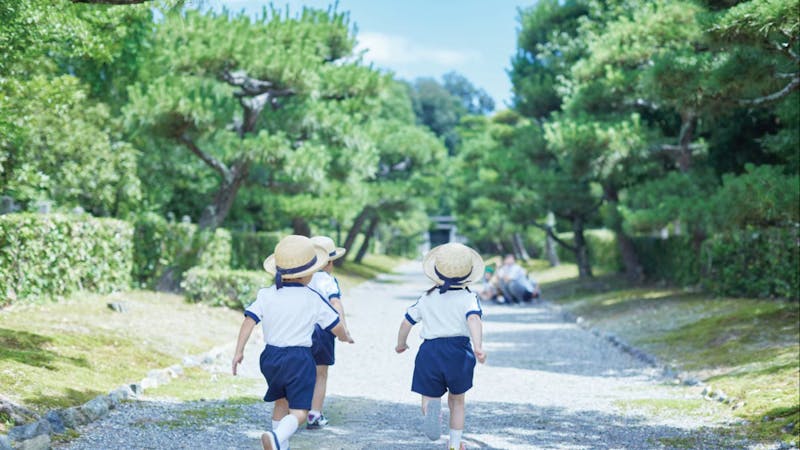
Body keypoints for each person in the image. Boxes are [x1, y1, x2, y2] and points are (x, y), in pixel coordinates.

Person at [231, 235, 354, 450]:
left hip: (270, 358)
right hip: (298, 359)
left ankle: (279, 444)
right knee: (299, 412)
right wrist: (344, 336)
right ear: (308, 274)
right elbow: (335, 325)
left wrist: (238, 352)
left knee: (281, 400)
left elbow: (249, 321)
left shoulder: (266, 294)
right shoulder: (313, 298)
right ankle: (277, 437)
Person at [395, 243, 487, 450]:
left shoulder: (427, 297)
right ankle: (454, 444)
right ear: (468, 274)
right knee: (457, 401)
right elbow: (473, 319)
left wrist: (401, 343)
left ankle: (431, 411)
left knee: (429, 395)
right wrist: (478, 346)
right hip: (459, 353)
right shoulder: (468, 298)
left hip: (430, 352)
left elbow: (406, 322)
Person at [306, 235, 352, 429]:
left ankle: (295, 410)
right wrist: (345, 330)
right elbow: (336, 304)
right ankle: (314, 414)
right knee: (321, 373)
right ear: (329, 263)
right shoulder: (328, 280)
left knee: (301, 370)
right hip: (324, 330)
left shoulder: (301, 279)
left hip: (300, 329)